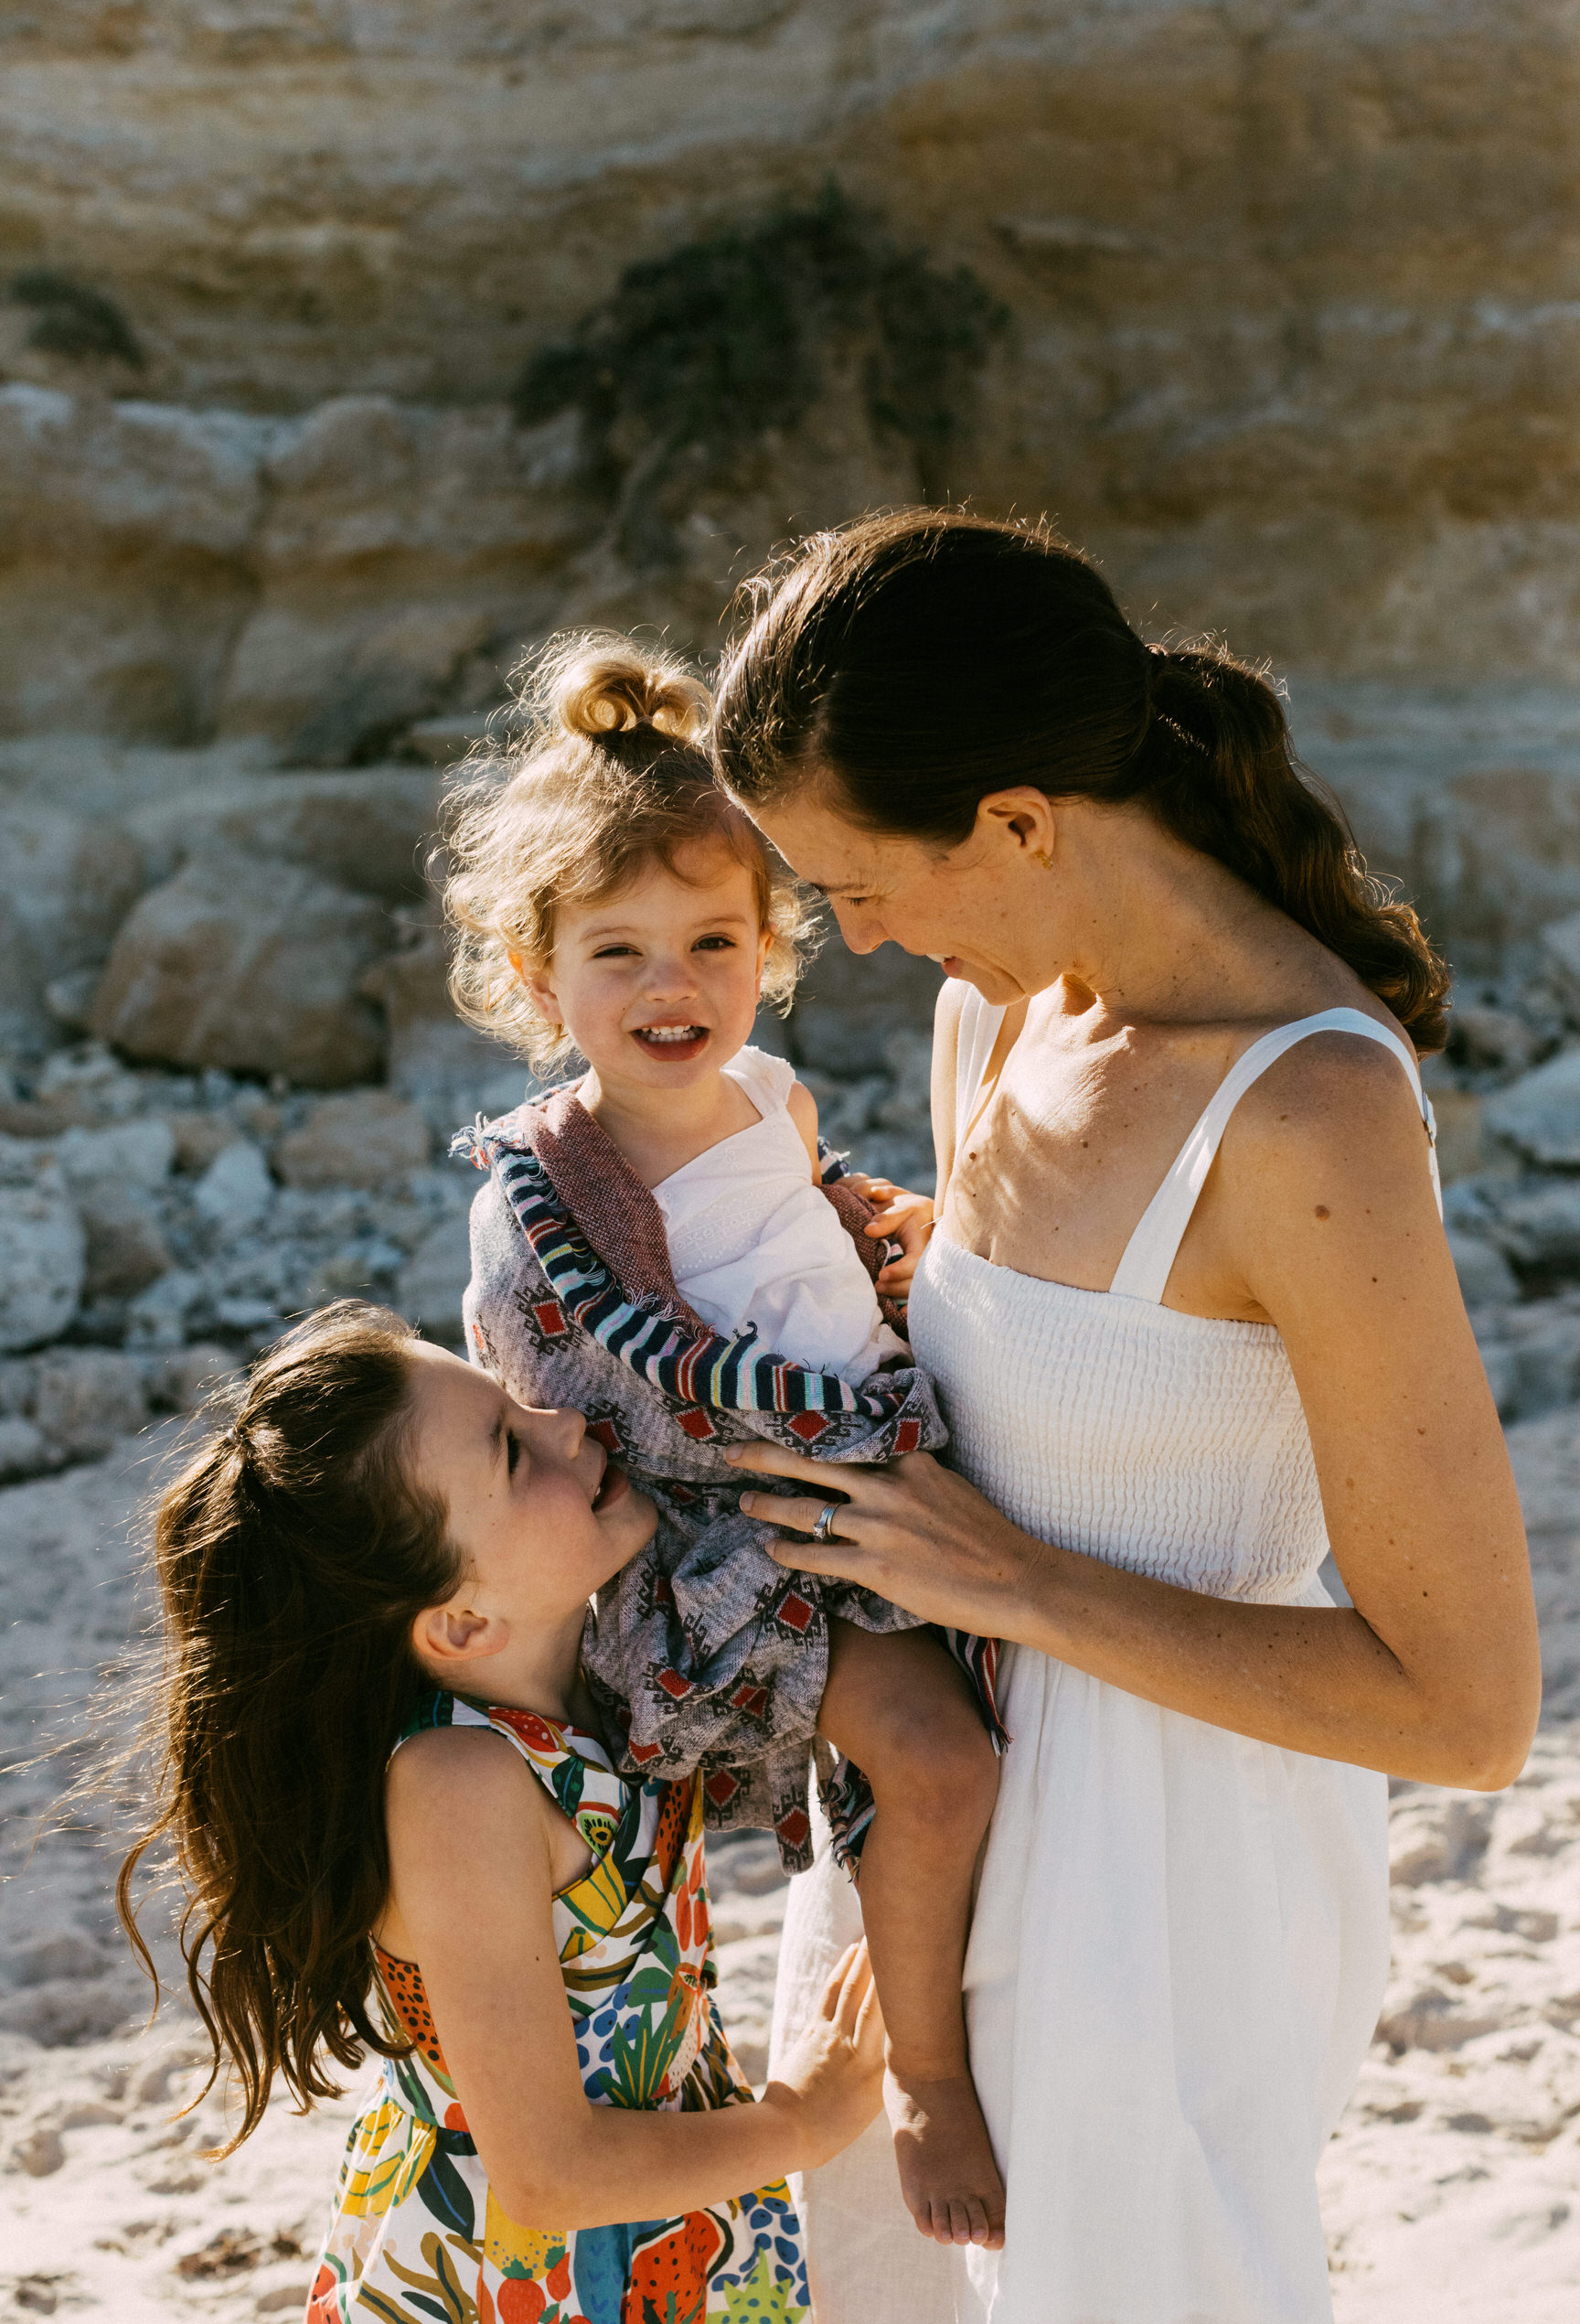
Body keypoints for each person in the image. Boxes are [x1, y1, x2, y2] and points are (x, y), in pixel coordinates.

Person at [708, 508, 1543, 2323]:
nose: (854, 943)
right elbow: (1072, 1378)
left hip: (1169, 1902)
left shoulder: (1309, 1115)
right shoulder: (984, 1025)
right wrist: (911, 1274)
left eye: (863, 884)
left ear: (1017, 820)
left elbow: (1472, 1711)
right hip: (926, 1837)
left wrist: (1027, 1586)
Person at [441, 637, 1006, 2247]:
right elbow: (561, 1411)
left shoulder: (769, 1096)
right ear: (534, 969)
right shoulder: (543, 1199)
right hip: (735, 1559)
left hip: (870, 1479)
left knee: (1011, 1717)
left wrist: (888, 1233)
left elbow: (804, 1224)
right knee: (937, 1758)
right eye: (613, 952)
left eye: (711, 938)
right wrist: (784, 1475)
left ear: (772, 942)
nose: (667, 986)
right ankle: (926, 2081)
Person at [117, 1301, 885, 2324]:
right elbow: (547, 2174)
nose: (566, 1423)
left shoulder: (614, 1673)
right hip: (525, 2275)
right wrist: (804, 2120)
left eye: (520, 1402)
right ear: (465, 1621)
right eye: (514, 1454)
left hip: (673, 2224)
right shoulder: (461, 1784)